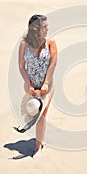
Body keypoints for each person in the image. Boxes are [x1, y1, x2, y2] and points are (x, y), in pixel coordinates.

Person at [18, 14, 57, 158]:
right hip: (30, 86)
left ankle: (37, 147)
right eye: (44, 27)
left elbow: (53, 63)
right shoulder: (24, 44)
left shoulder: (50, 43)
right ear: (36, 28)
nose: (47, 29)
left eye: (47, 26)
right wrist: (29, 85)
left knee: (41, 116)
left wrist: (46, 83)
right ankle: (39, 138)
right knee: (33, 112)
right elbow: (21, 66)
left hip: (47, 86)